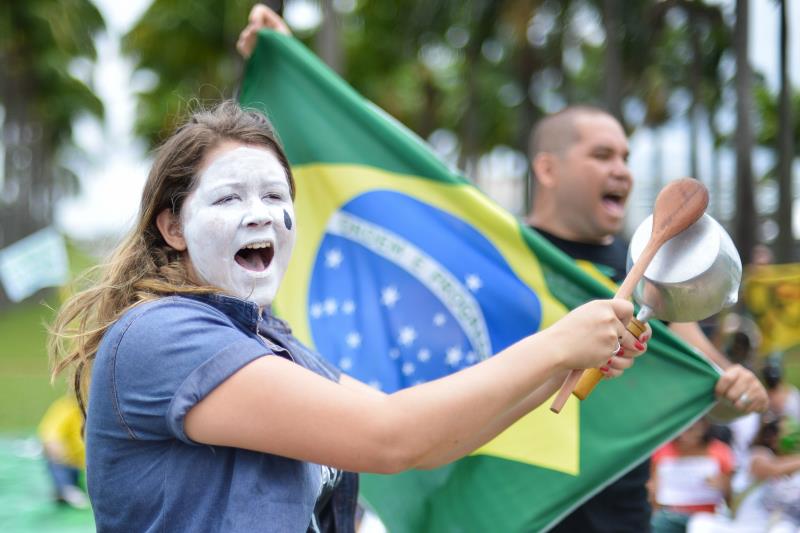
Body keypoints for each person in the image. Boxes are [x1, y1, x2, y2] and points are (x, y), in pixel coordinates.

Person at [48, 101, 649, 532]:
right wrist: (555, 347)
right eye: (230, 197)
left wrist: (564, 360)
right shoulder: (162, 334)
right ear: (171, 227)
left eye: (276, 197)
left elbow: (432, 441)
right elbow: (391, 436)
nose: (259, 215)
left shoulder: (272, 341)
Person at [525, 105, 769, 532]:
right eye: (602, 156)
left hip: (619, 516)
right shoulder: (505, 258)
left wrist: (736, 392)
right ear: (548, 169)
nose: (622, 171)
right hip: (513, 507)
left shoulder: (655, 271)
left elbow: (711, 381)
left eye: (625, 158)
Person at [649, 417, 734, 533]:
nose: (686, 432)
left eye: (691, 428)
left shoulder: (720, 452)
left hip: (707, 518)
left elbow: (732, 500)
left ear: (704, 425)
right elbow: (652, 493)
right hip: (669, 514)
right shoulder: (662, 450)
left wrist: (724, 485)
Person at [37, 393, 89, 509]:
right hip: (72, 464)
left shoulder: (100, 409)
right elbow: (50, 437)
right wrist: (59, 451)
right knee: (54, 459)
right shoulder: (66, 408)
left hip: (92, 465)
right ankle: (66, 489)